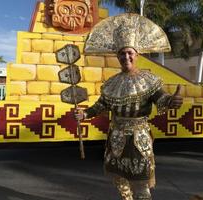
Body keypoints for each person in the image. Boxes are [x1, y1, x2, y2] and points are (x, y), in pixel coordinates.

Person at [74, 13, 183, 200]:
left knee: (141, 183)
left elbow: (162, 99)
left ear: (137, 54)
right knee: (120, 181)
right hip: (116, 137)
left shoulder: (149, 80)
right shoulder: (111, 84)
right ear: (117, 56)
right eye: (122, 53)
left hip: (139, 138)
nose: (126, 57)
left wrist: (172, 102)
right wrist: (84, 114)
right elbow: (101, 105)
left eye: (130, 53)